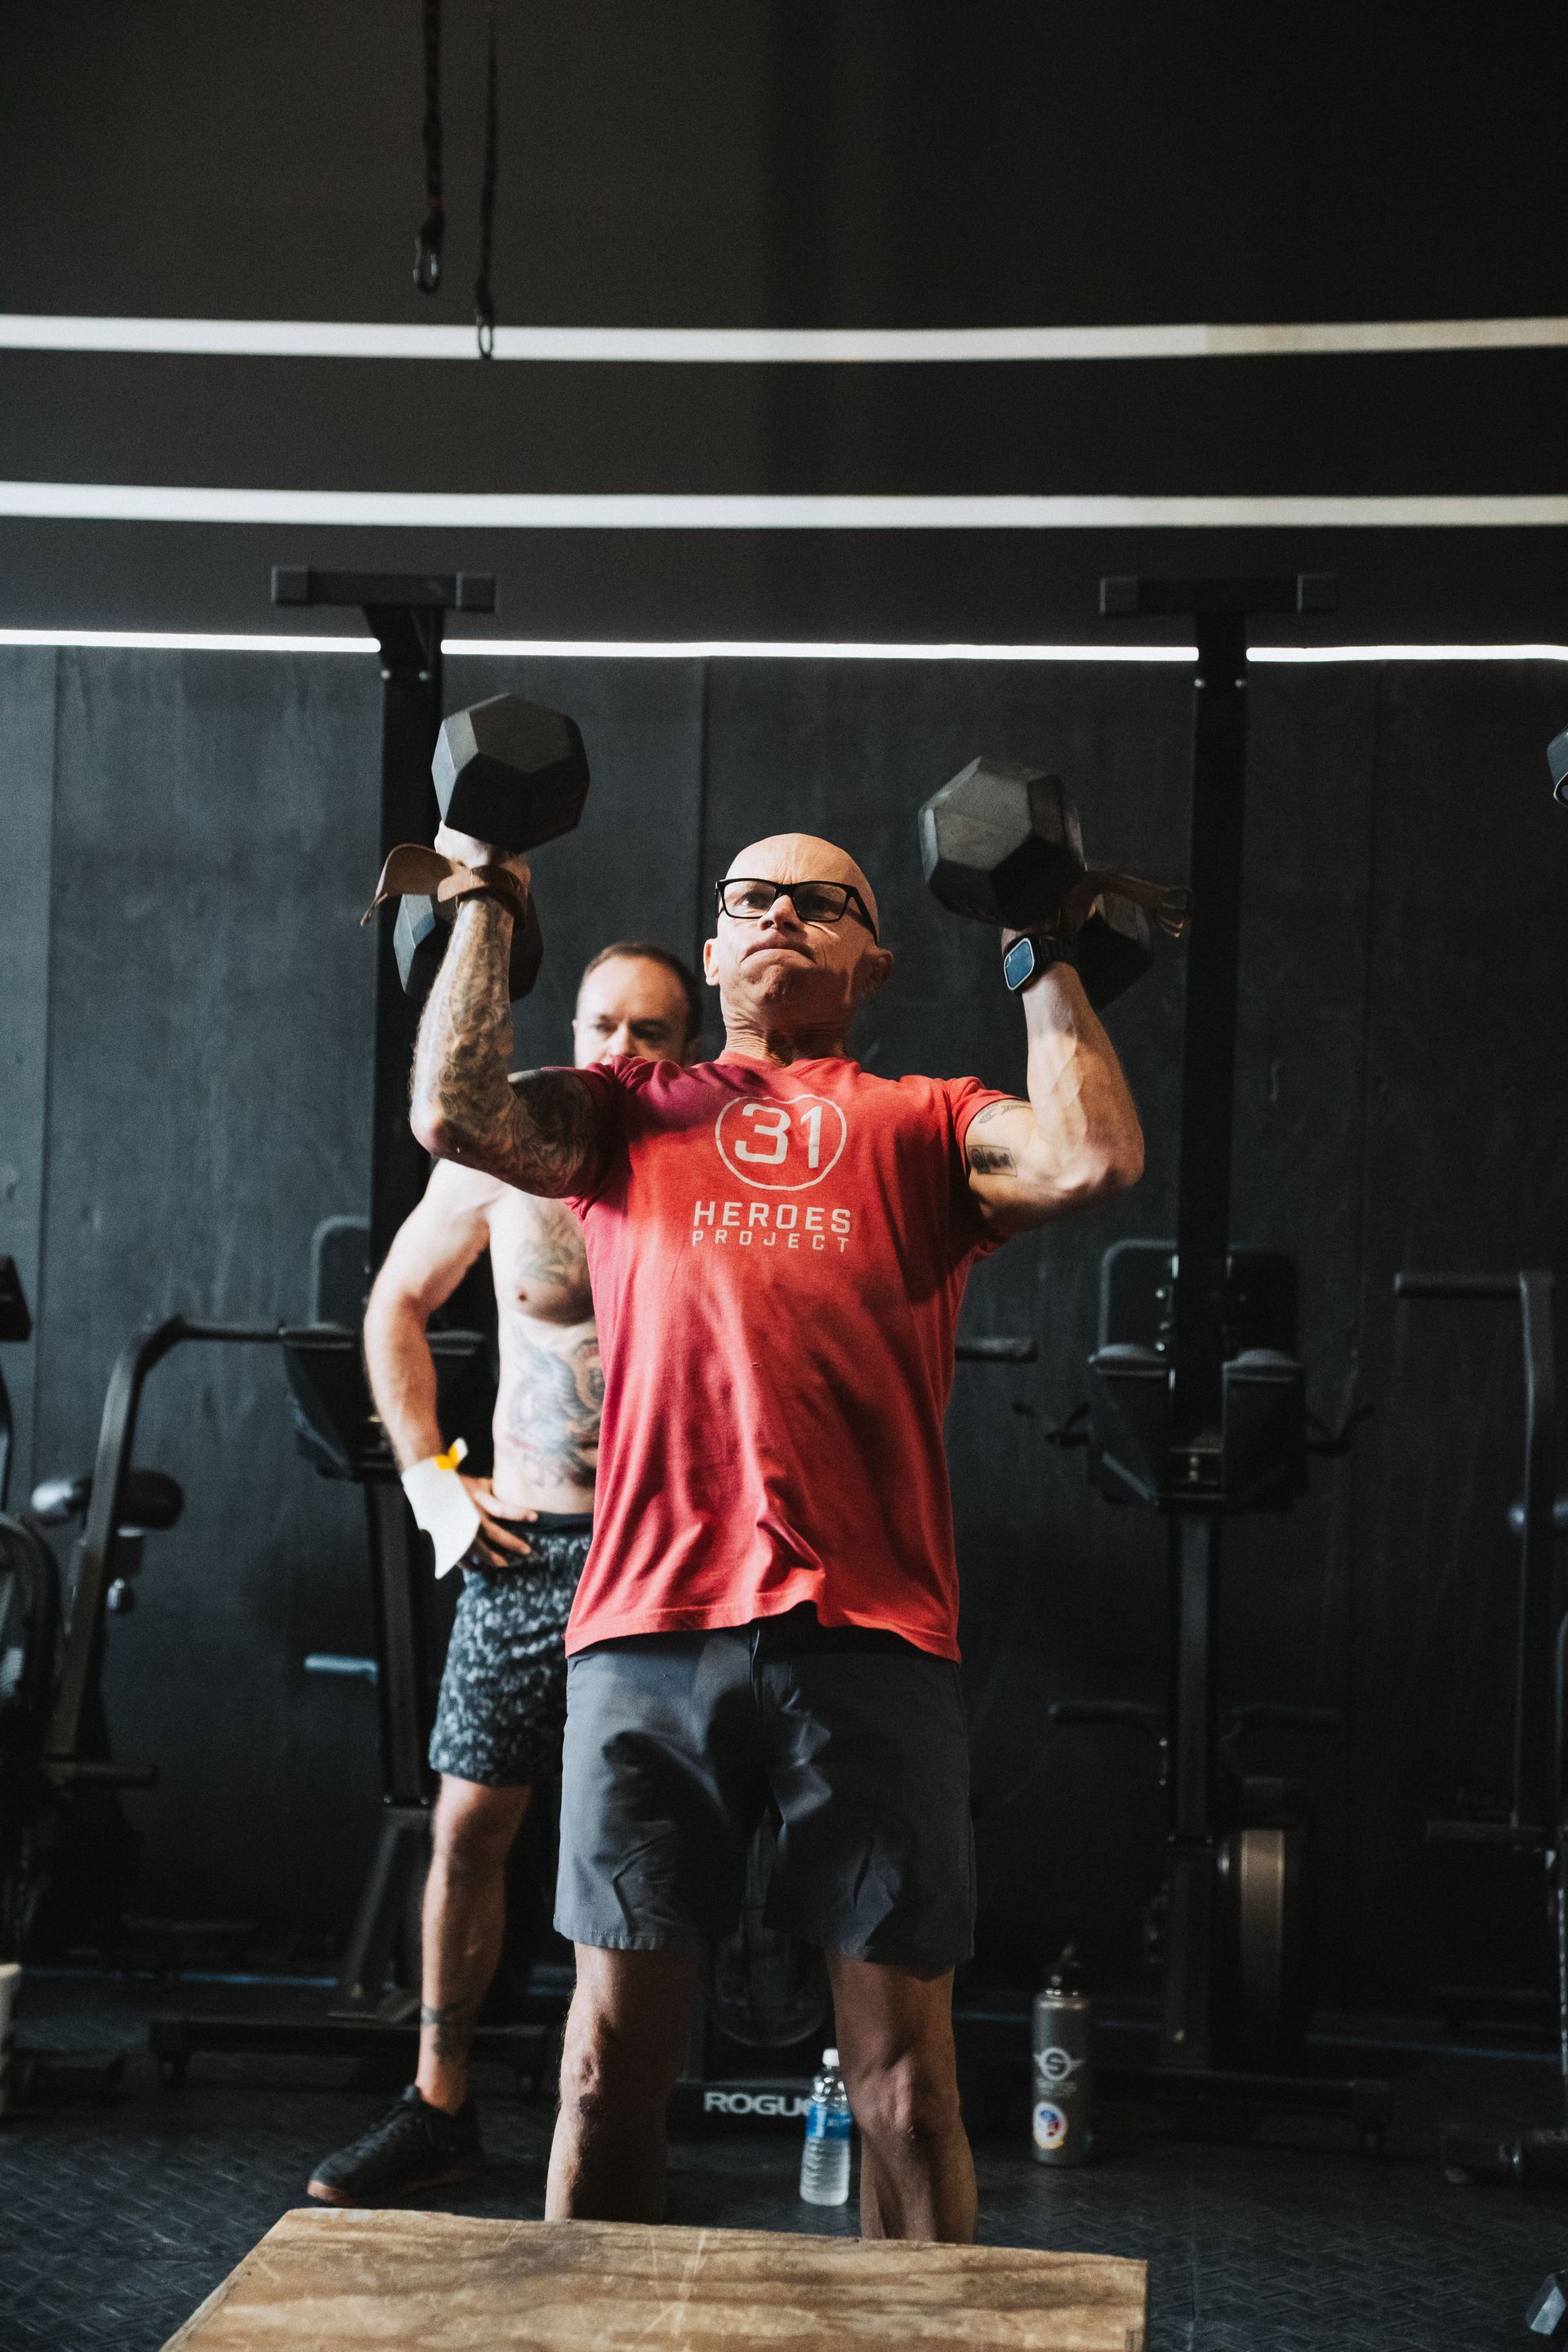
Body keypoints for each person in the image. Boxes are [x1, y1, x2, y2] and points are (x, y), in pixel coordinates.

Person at [408, 823, 1145, 2243]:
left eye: (824, 904)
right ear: (711, 947)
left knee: (904, 2091)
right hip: (646, 1633)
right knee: (606, 2074)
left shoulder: (927, 1120)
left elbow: (1094, 1157)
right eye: (751, 897)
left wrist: (1043, 943)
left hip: (869, 1637)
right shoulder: (626, 1113)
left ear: (873, 958)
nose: (782, 916)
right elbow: (453, 1116)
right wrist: (486, 895)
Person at [305, 940, 704, 2206]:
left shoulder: (711, 1158)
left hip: (657, 1557)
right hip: (526, 1545)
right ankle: (438, 2103)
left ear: (683, 1047)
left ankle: (611, 2117)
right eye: (603, 1022)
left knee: (621, 1848)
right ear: (573, 1023)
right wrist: (432, 1475)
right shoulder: (507, 1144)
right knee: (472, 1825)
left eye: (650, 1030)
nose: (620, 1049)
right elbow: (395, 1305)